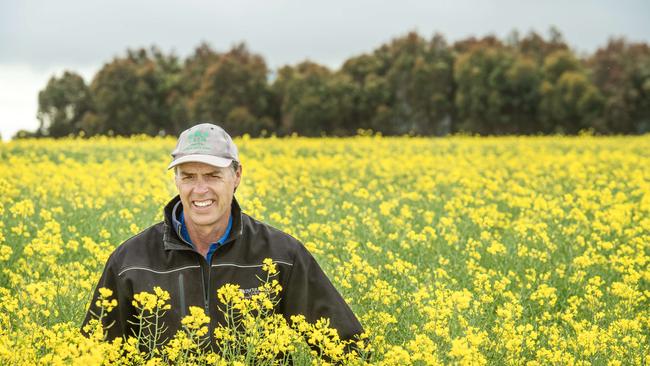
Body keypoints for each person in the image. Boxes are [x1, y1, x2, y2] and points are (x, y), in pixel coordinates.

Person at [81, 123, 364, 349]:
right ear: (176, 180)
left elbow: (347, 348)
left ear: (237, 175)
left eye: (213, 176)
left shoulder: (281, 255)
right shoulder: (130, 262)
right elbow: (96, 352)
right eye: (189, 176)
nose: (200, 190)